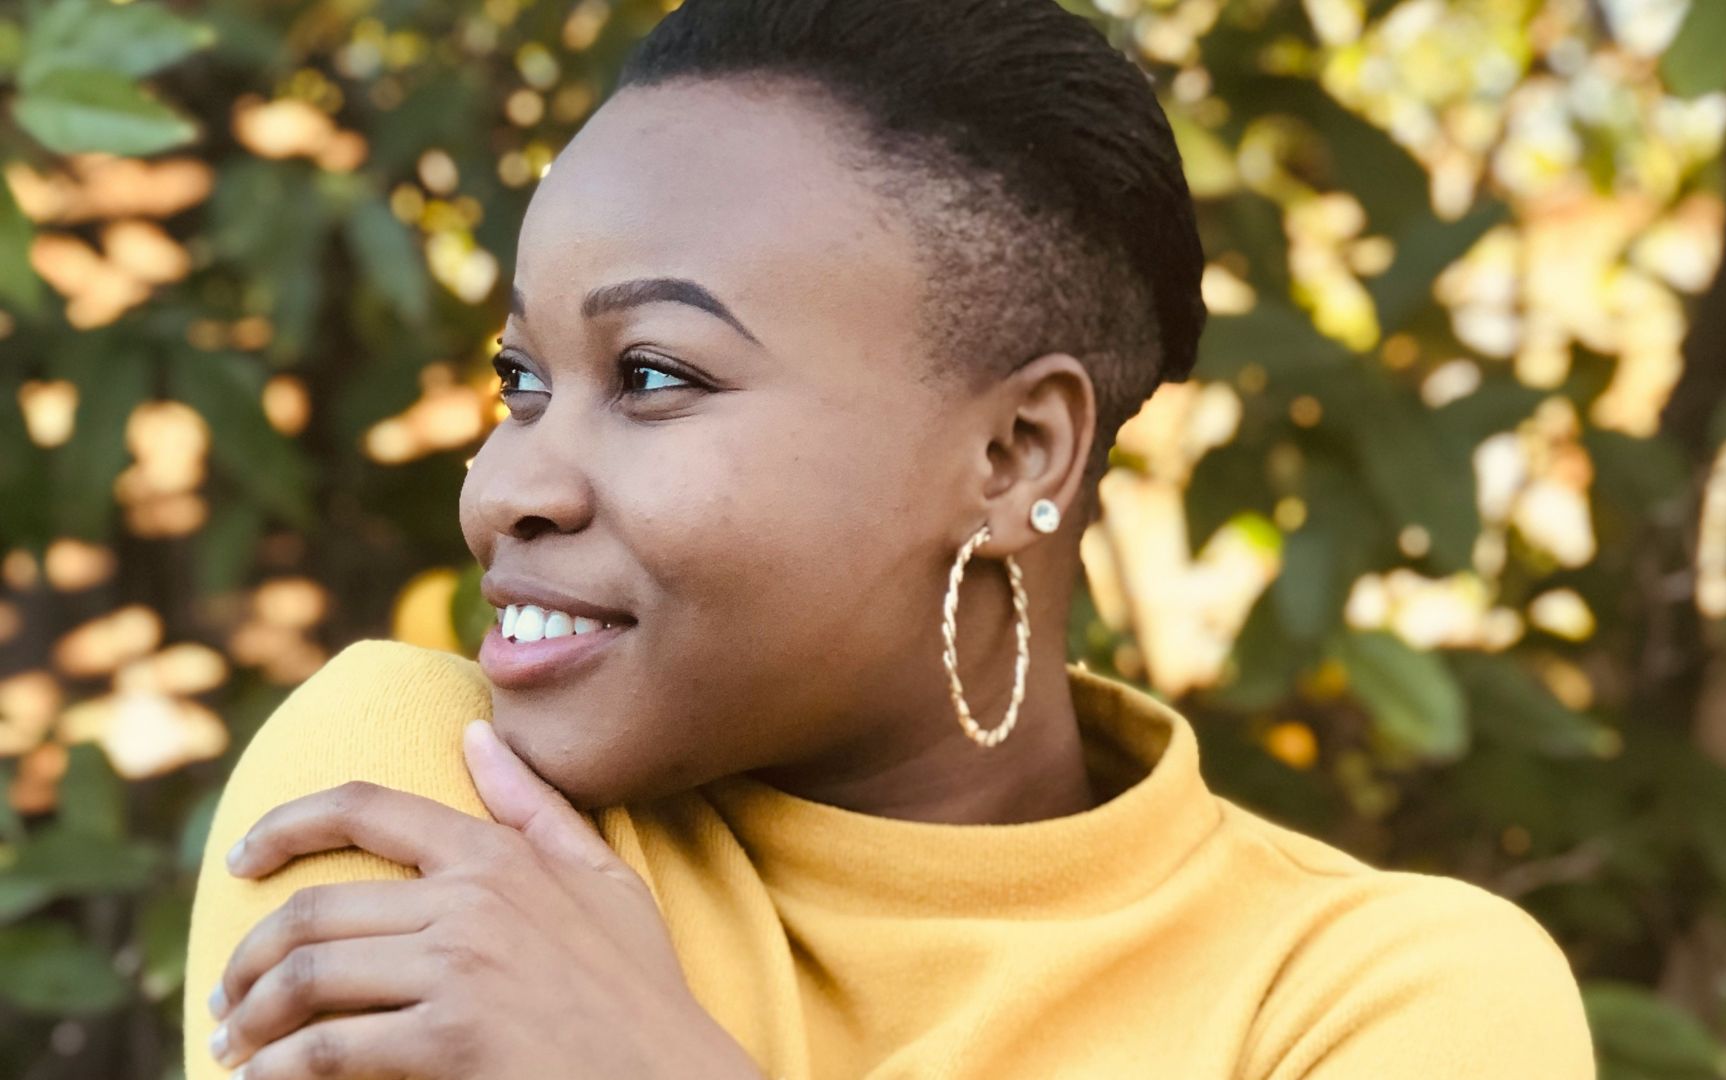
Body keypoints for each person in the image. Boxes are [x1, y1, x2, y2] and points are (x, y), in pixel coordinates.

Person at [182, 0, 1597, 1076]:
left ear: (1011, 454)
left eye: (655, 377)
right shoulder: (425, 800)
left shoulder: (1376, 991)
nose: (503, 489)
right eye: (523, 382)